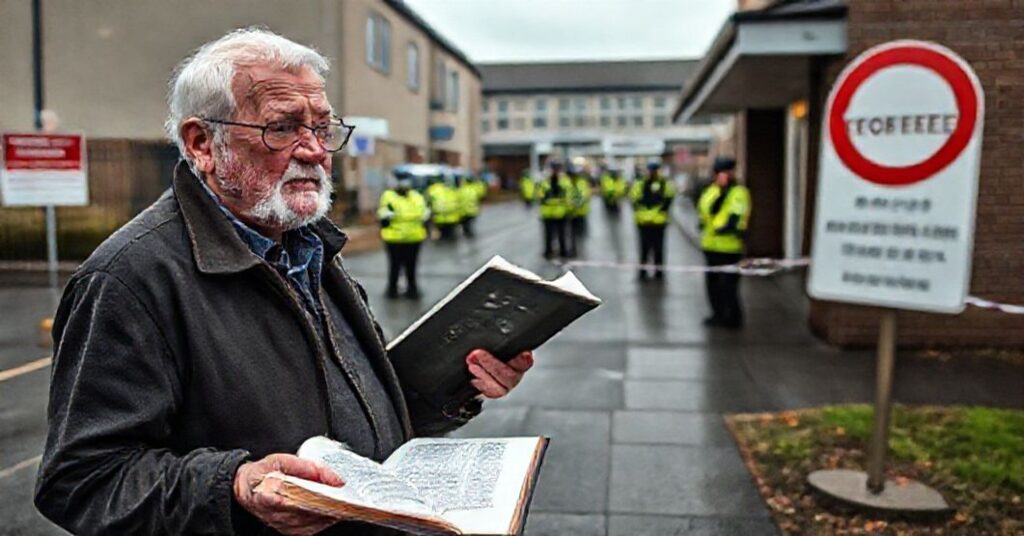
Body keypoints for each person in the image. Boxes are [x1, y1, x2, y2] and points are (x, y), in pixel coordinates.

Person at [34, 29, 535, 536]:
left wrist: (458, 378)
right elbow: (82, 481)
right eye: (283, 128)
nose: (315, 151)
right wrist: (233, 487)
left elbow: (362, 407)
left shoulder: (307, 244)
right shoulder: (129, 278)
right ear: (202, 143)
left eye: (322, 127)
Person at [697, 156, 751, 328]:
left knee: (728, 286)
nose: (721, 176)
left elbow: (734, 219)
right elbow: (704, 212)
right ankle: (717, 314)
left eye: (725, 172)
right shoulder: (711, 191)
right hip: (710, 247)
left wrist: (725, 192)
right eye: (718, 172)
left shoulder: (739, 193)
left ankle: (733, 318)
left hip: (729, 248)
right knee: (712, 285)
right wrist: (719, 192)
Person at [379, 173, 428, 299]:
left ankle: (412, 290)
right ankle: (392, 290)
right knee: (395, 266)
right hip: (394, 239)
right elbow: (383, 217)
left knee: (411, 266)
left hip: (414, 238)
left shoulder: (417, 197)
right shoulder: (388, 196)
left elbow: (424, 215)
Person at [629, 160, 676, 280]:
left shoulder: (664, 183)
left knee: (658, 249)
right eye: (650, 170)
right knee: (644, 249)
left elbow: (669, 198)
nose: (652, 172)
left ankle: (658, 272)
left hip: (659, 222)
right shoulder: (640, 183)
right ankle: (643, 273)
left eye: (654, 170)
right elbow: (634, 199)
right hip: (643, 222)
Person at [537, 161, 574, 258]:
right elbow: (540, 196)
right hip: (549, 213)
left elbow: (568, 196)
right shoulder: (546, 181)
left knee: (561, 234)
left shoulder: (563, 181)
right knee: (549, 235)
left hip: (559, 212)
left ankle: (562, 251)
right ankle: (549, 251)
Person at [426, 173, 460, 240]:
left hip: (440, 217)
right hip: (451, 218)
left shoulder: (433, 189)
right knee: (449, 236)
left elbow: (428, 201)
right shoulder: (453, 189)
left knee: (443, 236)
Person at [568, 164, 592, 240]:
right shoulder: (568, 182)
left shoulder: (581, 182)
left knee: (581, 231)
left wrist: (575, 202)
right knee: (572, 232)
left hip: (581, 211)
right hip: (571, 212)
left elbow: (584, 195)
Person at [456, 173, 480, 238]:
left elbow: (457, 200)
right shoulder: (473, 190)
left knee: (465, 224)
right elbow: (477, 198)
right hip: (473, 211)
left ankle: (467, 233)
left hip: (464, 211)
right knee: (469, 224)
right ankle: (469, 233)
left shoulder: (461, 190)